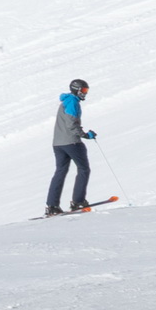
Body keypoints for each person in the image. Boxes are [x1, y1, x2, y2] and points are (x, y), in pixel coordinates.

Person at [44, 81, 96, 216]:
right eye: (84, 90)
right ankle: (78, 201)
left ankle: (52, 206)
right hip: (71, 143)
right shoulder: (73, 102)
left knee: (60, 171)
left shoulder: (65, 101)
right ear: (77, 90)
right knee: (84, 169)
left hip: (58, 144)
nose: (85, 93)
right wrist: (85, 135)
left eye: (86, 91)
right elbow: (71, 124)